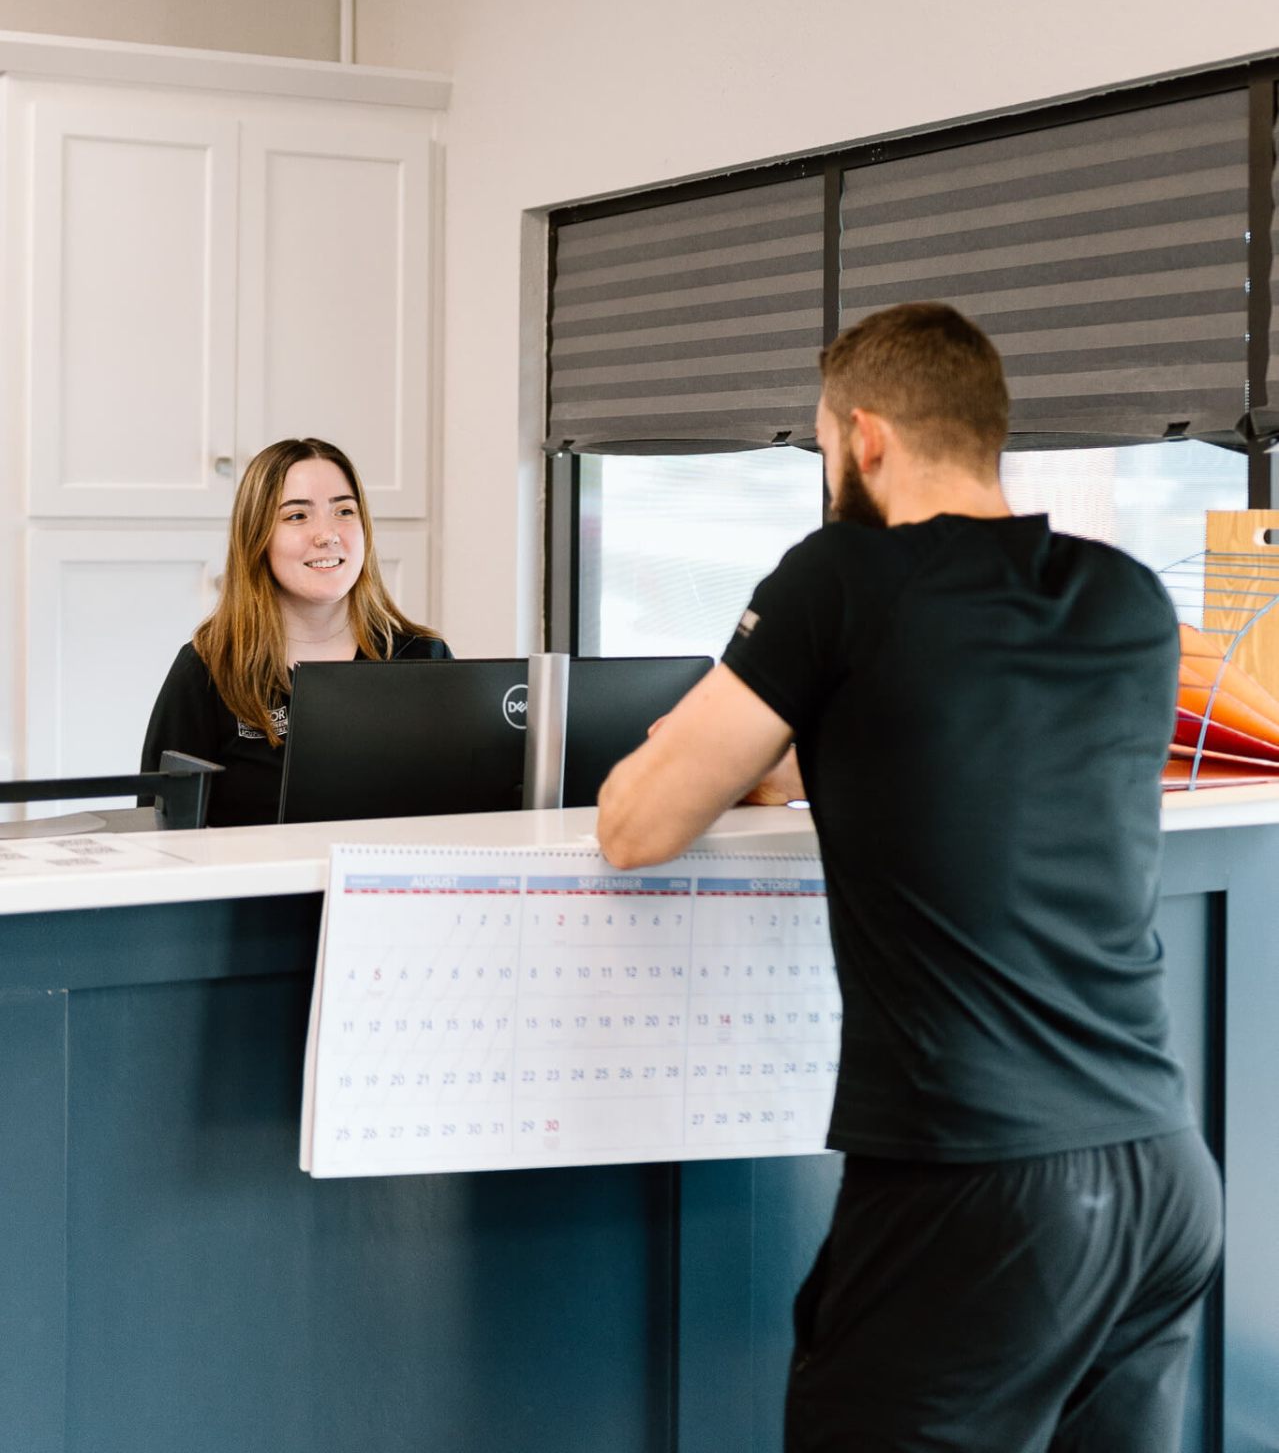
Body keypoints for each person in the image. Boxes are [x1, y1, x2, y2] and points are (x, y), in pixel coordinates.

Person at [597, 301, 1222, 1453]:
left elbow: (636, 824)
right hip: (1162, 1173)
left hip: (980, 1179)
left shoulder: (839, 578)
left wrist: (755, 750)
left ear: (864, 438)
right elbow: (966, 751)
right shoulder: (1126, 600)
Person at [142, 437, 450, 826]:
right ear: (257, 538)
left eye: (344, 511)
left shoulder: (425, 659)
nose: (327, 534)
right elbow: (157, 834)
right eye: (297, 516)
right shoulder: (209, 668)